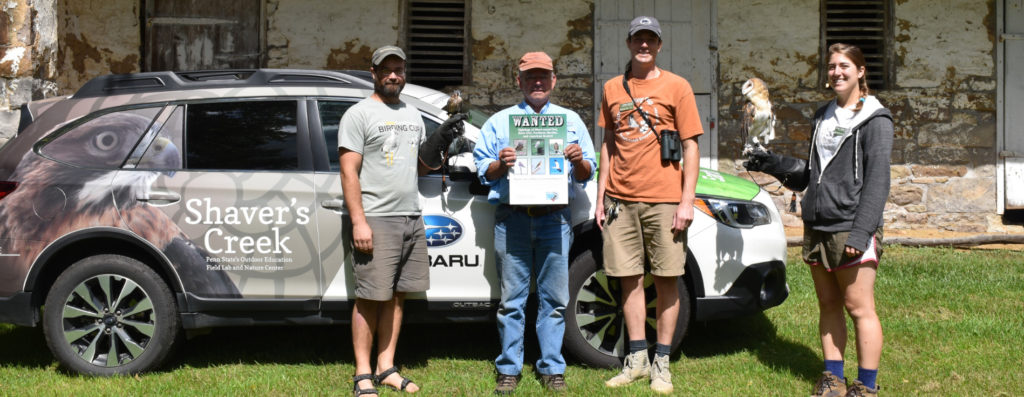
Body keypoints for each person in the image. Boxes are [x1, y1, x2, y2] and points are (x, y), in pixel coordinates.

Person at [744, 43, 893, 397]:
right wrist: (772, 163)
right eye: (831, 66)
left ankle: (866, 386)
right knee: (827, 305)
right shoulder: (823, 115)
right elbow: (811, 175)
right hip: (818, 222)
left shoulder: (875, 118)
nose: (836, 72)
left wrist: (862, 231)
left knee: (859, 307)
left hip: (850, 224)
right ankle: (833, 379)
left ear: (860, 72)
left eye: (844, 66)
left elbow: (878, 181)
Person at [339, 45, 465, 397]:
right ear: (374, 73)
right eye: (387, 69)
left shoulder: (411, 113)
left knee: (397, 297)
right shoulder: (359, 114)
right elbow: (349, 172)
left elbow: (422, 164)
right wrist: (359, 222)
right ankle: (362, 374)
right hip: (377, 217)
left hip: (411, 215)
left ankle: (387, 367)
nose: (394, 75)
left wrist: (442, 140)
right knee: (369, 297)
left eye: (399, 69)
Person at [473, 51, 596, 394]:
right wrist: (502, 163)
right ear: (520, 81)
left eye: (544, 76)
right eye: (530, 76)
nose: (537, 82)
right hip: (512, 219)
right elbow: (484, 173)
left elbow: (588, 173)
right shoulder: (499, 123)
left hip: (554, 220)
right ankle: (509, 368)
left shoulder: (570, 122)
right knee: (512, 300)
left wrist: (578, 159)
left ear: (554, 80)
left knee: (554, 300)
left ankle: (552, 367)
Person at [594, 16, 703, 395]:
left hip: (664, 199)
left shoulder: (678, 86)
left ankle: (662, 362)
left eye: (650, 39)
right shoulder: (611, 88)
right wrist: (600, 195)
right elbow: (608, 143)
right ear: (629, 44)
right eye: (638, 39)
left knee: (667, 280)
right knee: (629, 280)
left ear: (658, 45)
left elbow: (690, 145)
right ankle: (636, 358)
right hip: (620, 200)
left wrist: (686, 200)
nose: (644, 45)